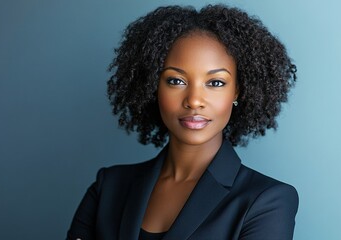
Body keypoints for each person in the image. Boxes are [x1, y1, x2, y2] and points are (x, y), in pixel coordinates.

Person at [67, 4, 298, 240]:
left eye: (216, 82)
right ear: (153, 86)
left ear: (237, 91)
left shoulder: (267, 200)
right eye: (176, 81)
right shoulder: (108, 188)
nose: (194, 100)